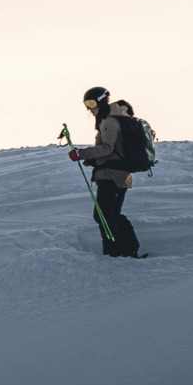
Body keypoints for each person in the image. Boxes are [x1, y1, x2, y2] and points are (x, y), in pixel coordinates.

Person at [68, 86, 142, 258]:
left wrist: (81, 154)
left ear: (101, 101)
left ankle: (119, 251)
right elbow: (115, 150)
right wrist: (94, 160)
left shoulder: (109, 120)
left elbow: (107, 148)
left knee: (104, 215)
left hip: (113, 176)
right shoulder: (111, 119)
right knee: (108, 215)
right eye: (86, 104)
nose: (90, 109)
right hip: (116, 174)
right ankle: (123, 251)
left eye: (92, 103)